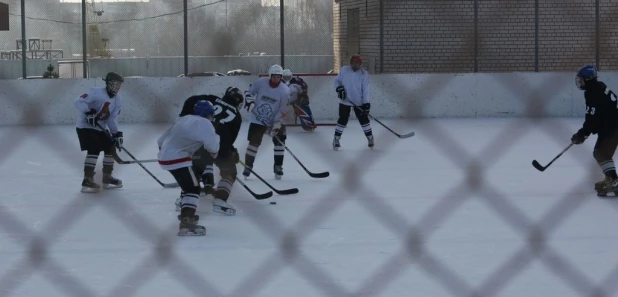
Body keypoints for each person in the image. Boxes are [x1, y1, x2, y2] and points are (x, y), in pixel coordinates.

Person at [175, 87, 244, 215]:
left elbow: (191, 100)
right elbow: (229, 139)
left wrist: (184, 115)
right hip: (219, 144)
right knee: (229, 172)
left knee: (195, 169)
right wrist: (231, 151)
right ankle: (220, 200)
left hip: (200, 140)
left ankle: (184, 198)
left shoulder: (213, 99)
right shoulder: (237, 116)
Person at [157, 100, 219, 236]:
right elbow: (212, 147)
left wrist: (167, 153)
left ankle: (186, 212)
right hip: (179, 158)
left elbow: (160, 141)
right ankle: (187, 222)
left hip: (164, 157)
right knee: (193, 188)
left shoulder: (182, 119)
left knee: (189, 186)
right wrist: (214, 154)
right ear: (208, 114)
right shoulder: (205, 123)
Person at [570, 65, 618, 196]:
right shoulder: (599, 86)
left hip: (612, 126)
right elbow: (598, 115)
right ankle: (612, 179)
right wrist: (585, 132)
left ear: (588, 79)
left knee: (600, 152)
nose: (580, 82)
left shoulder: (592, 92)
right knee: (601, 152)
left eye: (581, 80)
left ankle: (614, 180)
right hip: (609, 124)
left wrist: (582, 134)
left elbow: (592, 118)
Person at [74, 72, 124, 193]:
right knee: (94, 148)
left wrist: (116, 133)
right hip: (85, 126)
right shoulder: (96, 92)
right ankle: (87, 180)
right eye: (115, 84)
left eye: (119, 85)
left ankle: (107, 178)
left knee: (110, 146)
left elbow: (111, 119)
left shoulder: (118, 100)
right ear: (108, 84)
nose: (117, 88)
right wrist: (88, 112)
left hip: (99, 127)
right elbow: (79, 101)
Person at [243, 64, 291, 180]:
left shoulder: (284, 90)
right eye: (274, 77)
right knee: (253, 143)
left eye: (278, 77)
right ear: (270, 76)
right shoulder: (260, 82)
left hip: (275, 119)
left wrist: (276, 124)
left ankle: (278, 166)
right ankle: (248, 166)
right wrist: (249, 101)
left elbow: (282, 110)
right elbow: (248, 92)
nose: (276, 79)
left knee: (280, 141)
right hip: (258, 118)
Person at [332, 54, 373, 151]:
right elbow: (336, 81)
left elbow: (366, 90)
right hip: (345, 101)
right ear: (350, 63)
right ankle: (336, 139)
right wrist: (339, 88)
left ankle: (370, 138)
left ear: (360, 64)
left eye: (357, 63)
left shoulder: (364, 74)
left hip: (359, 102)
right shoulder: (344, 70)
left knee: (364, 120)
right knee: (342, 119)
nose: (355, 65)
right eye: (353, 63)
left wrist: (366, 103)